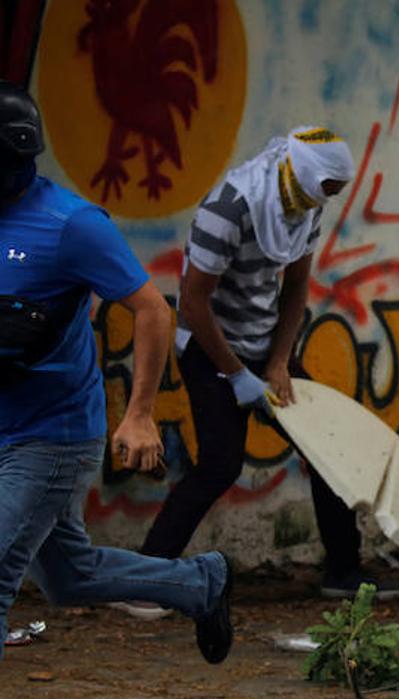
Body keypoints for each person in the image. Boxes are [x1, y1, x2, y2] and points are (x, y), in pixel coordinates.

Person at [0, 82, 232, 662]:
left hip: (48, 438)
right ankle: (201, 584)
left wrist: (140, 413)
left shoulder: (71, 225)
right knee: (70, 577)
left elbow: (153, 310)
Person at [135, 126, 399, 609]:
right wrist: (237, 374)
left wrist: (278, 361)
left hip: (265, 345)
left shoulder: (303, 207)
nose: (330, 199)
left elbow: (296, 288)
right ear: (304, 172)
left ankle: (343, 573)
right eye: (328, 189)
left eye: (337, 192)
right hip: (209, 345)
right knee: (220, 464)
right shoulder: (230, 209)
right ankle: (147, 581)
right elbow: (195, 304)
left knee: (328, 454)